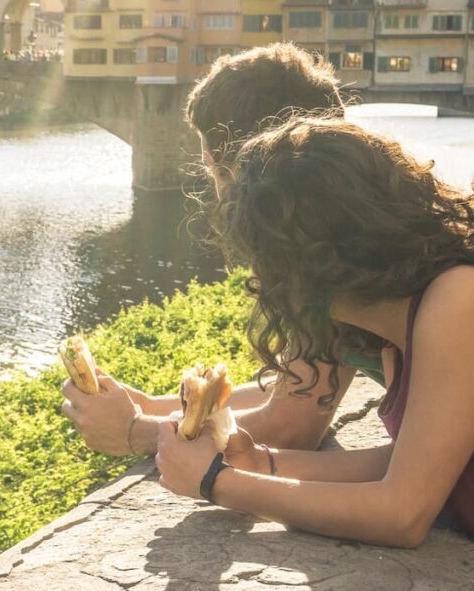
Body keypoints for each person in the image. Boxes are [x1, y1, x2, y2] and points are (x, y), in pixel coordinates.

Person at [155, 115, 474, 546]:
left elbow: (403, 513)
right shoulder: (396, 336)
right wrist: (260, 464)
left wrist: (215, 482)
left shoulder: (457, 299)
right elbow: (412, 465)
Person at [62, 43, 352, 457]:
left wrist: (137, 432)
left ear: (244, 168)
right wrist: (149, 406)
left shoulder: (333, 256)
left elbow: (292, 427)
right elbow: (296, 391)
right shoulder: (343, 227)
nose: (218, 196)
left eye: (212, 170)